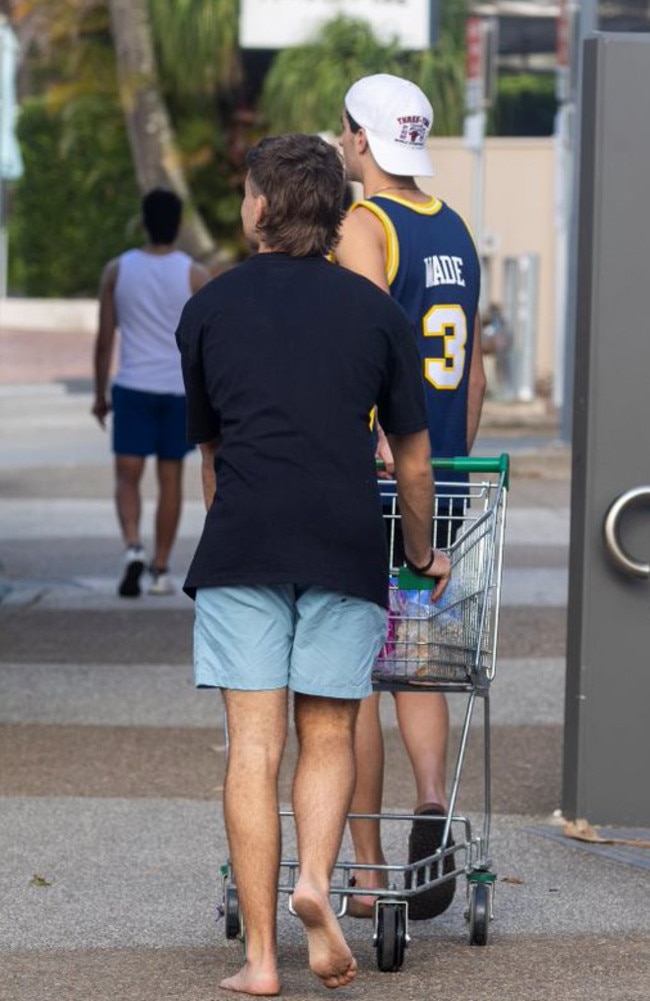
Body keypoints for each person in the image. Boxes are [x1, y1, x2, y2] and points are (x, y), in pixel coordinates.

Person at [175, 133, 451, 996]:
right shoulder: (377, 314)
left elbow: (213, 451)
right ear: (336, 212)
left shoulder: (209, 309)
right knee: (328, 729)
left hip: (245, 541)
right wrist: (419, 553)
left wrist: (237, 517)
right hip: (342, 542)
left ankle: (260, 960)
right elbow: (412, 460)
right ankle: (313, 879)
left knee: (251, 746)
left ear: (259, 205)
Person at [336, 73, 487, 920]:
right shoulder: (454, 228)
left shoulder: (368, 224)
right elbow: (472, 377)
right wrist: (452, 460)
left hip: (384, 478)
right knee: (419, 660)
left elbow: (359, 350)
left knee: (354, 672)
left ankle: (367, 869)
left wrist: (377, 448)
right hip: (449, 476)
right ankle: (434, 799)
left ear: (360, 139)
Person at [92, 188, 210, 598]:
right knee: (170, 478)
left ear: (143, 222)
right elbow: (205, 343)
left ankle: (132, 548)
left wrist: (98, 393)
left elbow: (105, 339)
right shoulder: (194, 274)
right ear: (178, 224)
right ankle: (161, 567)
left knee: (127, 477)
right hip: (177, 391)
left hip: (132, 386)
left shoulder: (117, 270)